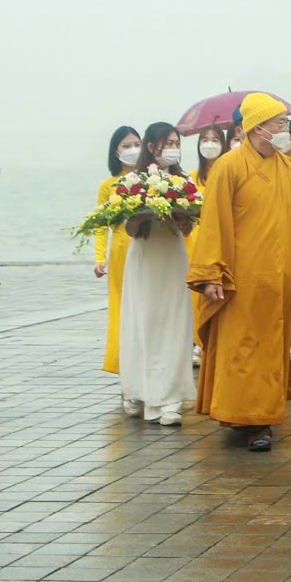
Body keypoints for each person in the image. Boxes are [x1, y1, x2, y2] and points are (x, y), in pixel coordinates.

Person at [186, 92, 291, 451]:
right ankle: (247, 420)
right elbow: (213, 224)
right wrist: (211, 275)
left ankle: (262, 417)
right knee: (240, 350)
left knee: (270, 350)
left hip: (279, 280)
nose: (285, 129)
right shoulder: (228, 166)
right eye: (279, 123)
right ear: (257, 128)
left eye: (285, 123)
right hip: (239, 280)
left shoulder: (287, 167)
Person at [117, 124, 198, 425]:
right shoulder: (133, 181)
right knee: (144, 322)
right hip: (145, 257)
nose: (173, 148)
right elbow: (130, 229)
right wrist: (142, 211)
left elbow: (189, 228)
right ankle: (139, 390)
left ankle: (169, 398)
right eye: (168, 143)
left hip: (173, 257)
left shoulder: (184, 182)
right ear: (152, 147)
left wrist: (180, 216)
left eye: (177, 143)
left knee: (174, 324)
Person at [96, 125, 141, 383]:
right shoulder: (108, 186)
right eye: (126, 145)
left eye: (136, 143)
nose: (132, 149)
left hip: (147, 249)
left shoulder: (151, 180)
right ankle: (124, 369)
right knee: (121, 312)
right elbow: (100, 224)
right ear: (116, 151)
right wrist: (100, 257)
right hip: (121, 253)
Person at [194, 124, 229, 189]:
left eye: (214, 140)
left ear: (223, 145)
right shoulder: (192, 178)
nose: (209, 145)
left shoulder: (230, 175)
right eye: (205, 140)